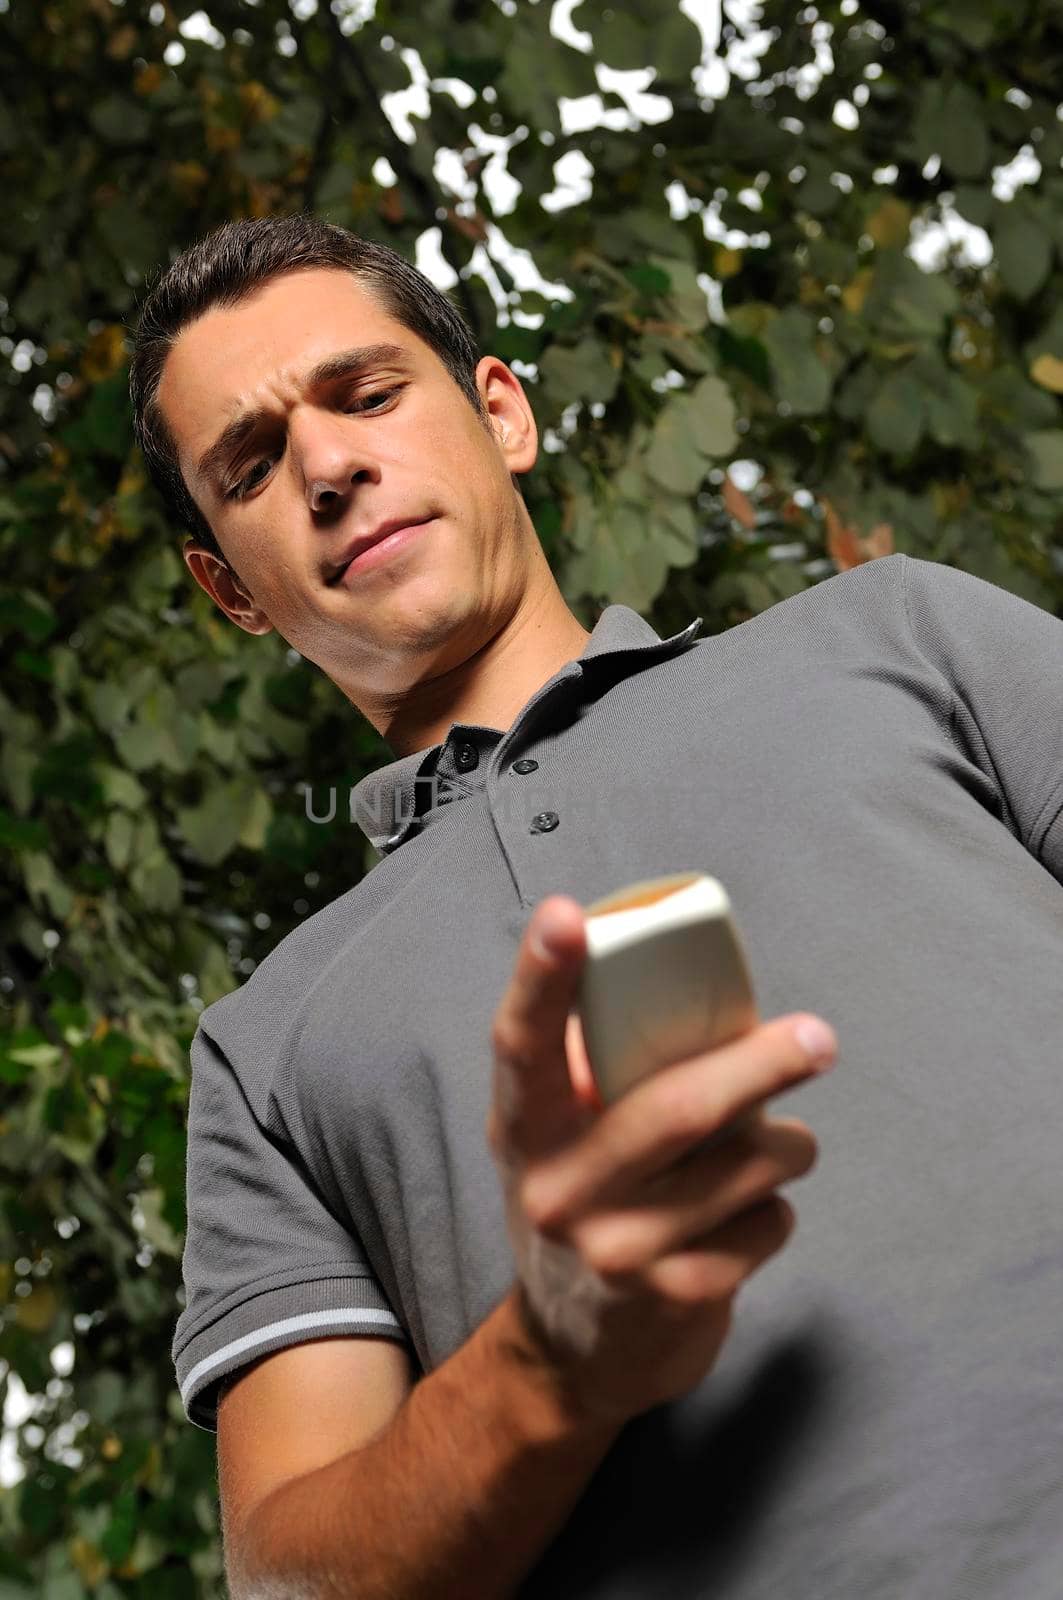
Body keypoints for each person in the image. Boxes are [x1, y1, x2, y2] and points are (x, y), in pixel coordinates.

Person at [130, 213, 1063, 1600]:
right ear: (230, 590)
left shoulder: (900, 636)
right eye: (252, 466)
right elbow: (290, 1577)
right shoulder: (263, 1054)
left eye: (369, 394)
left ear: (501, 412)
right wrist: (550, 1356)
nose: (327, 466)